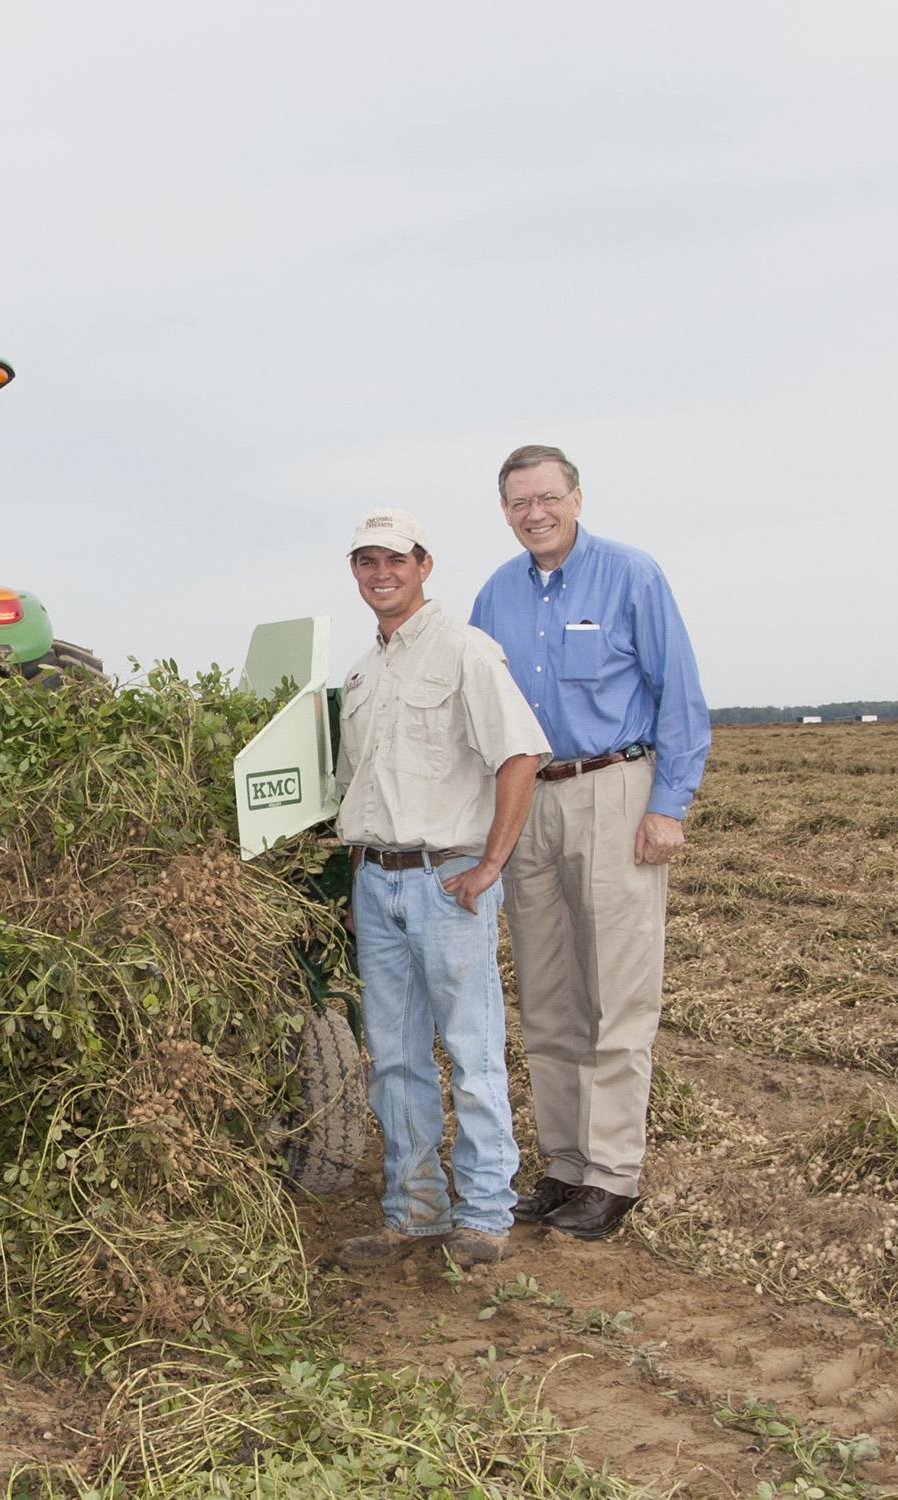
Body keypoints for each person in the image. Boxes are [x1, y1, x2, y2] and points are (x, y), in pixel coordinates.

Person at [470, 445, 710, 1241]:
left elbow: (680, 696)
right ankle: (564, 1164)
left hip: (615, 790)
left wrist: (667, 806)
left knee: (617, 990)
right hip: (528, 799)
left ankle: (611, 1175)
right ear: (504, 511)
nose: (533, 513)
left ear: (576, 495)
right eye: (517, 502)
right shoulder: (495, 596)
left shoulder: (631, 575)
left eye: (546, 497)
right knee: (545, 993)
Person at [324, 509, 550, 1271]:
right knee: (392, 1056)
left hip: (447, 880)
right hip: (378, 883)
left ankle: (485, 1214)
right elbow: (355, 785)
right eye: (365, 561)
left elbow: (519, 755)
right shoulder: (362, 672)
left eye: (393, 559)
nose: (379, 573)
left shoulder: (463, 651)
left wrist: (489, 867)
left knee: (472, 1050)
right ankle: (414, 1211)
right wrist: (359, 879)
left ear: (423, 564)